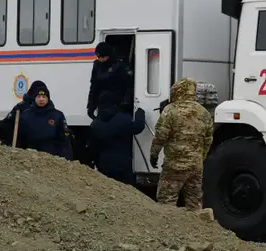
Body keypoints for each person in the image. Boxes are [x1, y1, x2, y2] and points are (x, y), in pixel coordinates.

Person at [149, 78, 213, 210]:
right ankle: (196, 228)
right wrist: (200, 158)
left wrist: (154, 154)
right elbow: (208, 140)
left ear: (176, 91)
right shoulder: (204, 113)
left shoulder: (170, 111)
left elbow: (160, 136)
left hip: (173, 166)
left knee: (166, 201)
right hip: (195, 167)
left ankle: (167, 228)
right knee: (194, 204)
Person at [89, 91, 146, 185]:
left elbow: (93, 147)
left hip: (104, 163)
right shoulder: (122, 118)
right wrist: (140, 112)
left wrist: (97, 163)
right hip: (122, 162)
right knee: (126, 190)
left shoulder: (95, 124)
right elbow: (138, 127)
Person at [17, 84, 73, 160]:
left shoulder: (57, 115)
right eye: (38, 97)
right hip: (30, 157)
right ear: (34, 98)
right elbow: (20, 138)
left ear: (48, 99)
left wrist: (67, 158)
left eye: (44, 97)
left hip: (51, 157)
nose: (41, 99)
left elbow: (64, 141)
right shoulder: (26, 115)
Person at [87, 42, 133, 121]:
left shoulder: (120, 65)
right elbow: (94, 87)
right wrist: (91, 106)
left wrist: (126, 103)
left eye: (103, 57)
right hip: (103, 104)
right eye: (99, 57)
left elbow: (129, 85)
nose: (101, 59)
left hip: (117, 104)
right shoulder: (97, 66)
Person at [0, 80, 47, 147]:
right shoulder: (22, 107)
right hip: (23, 147)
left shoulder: (46, 109)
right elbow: (6, 124)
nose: (41, 99)